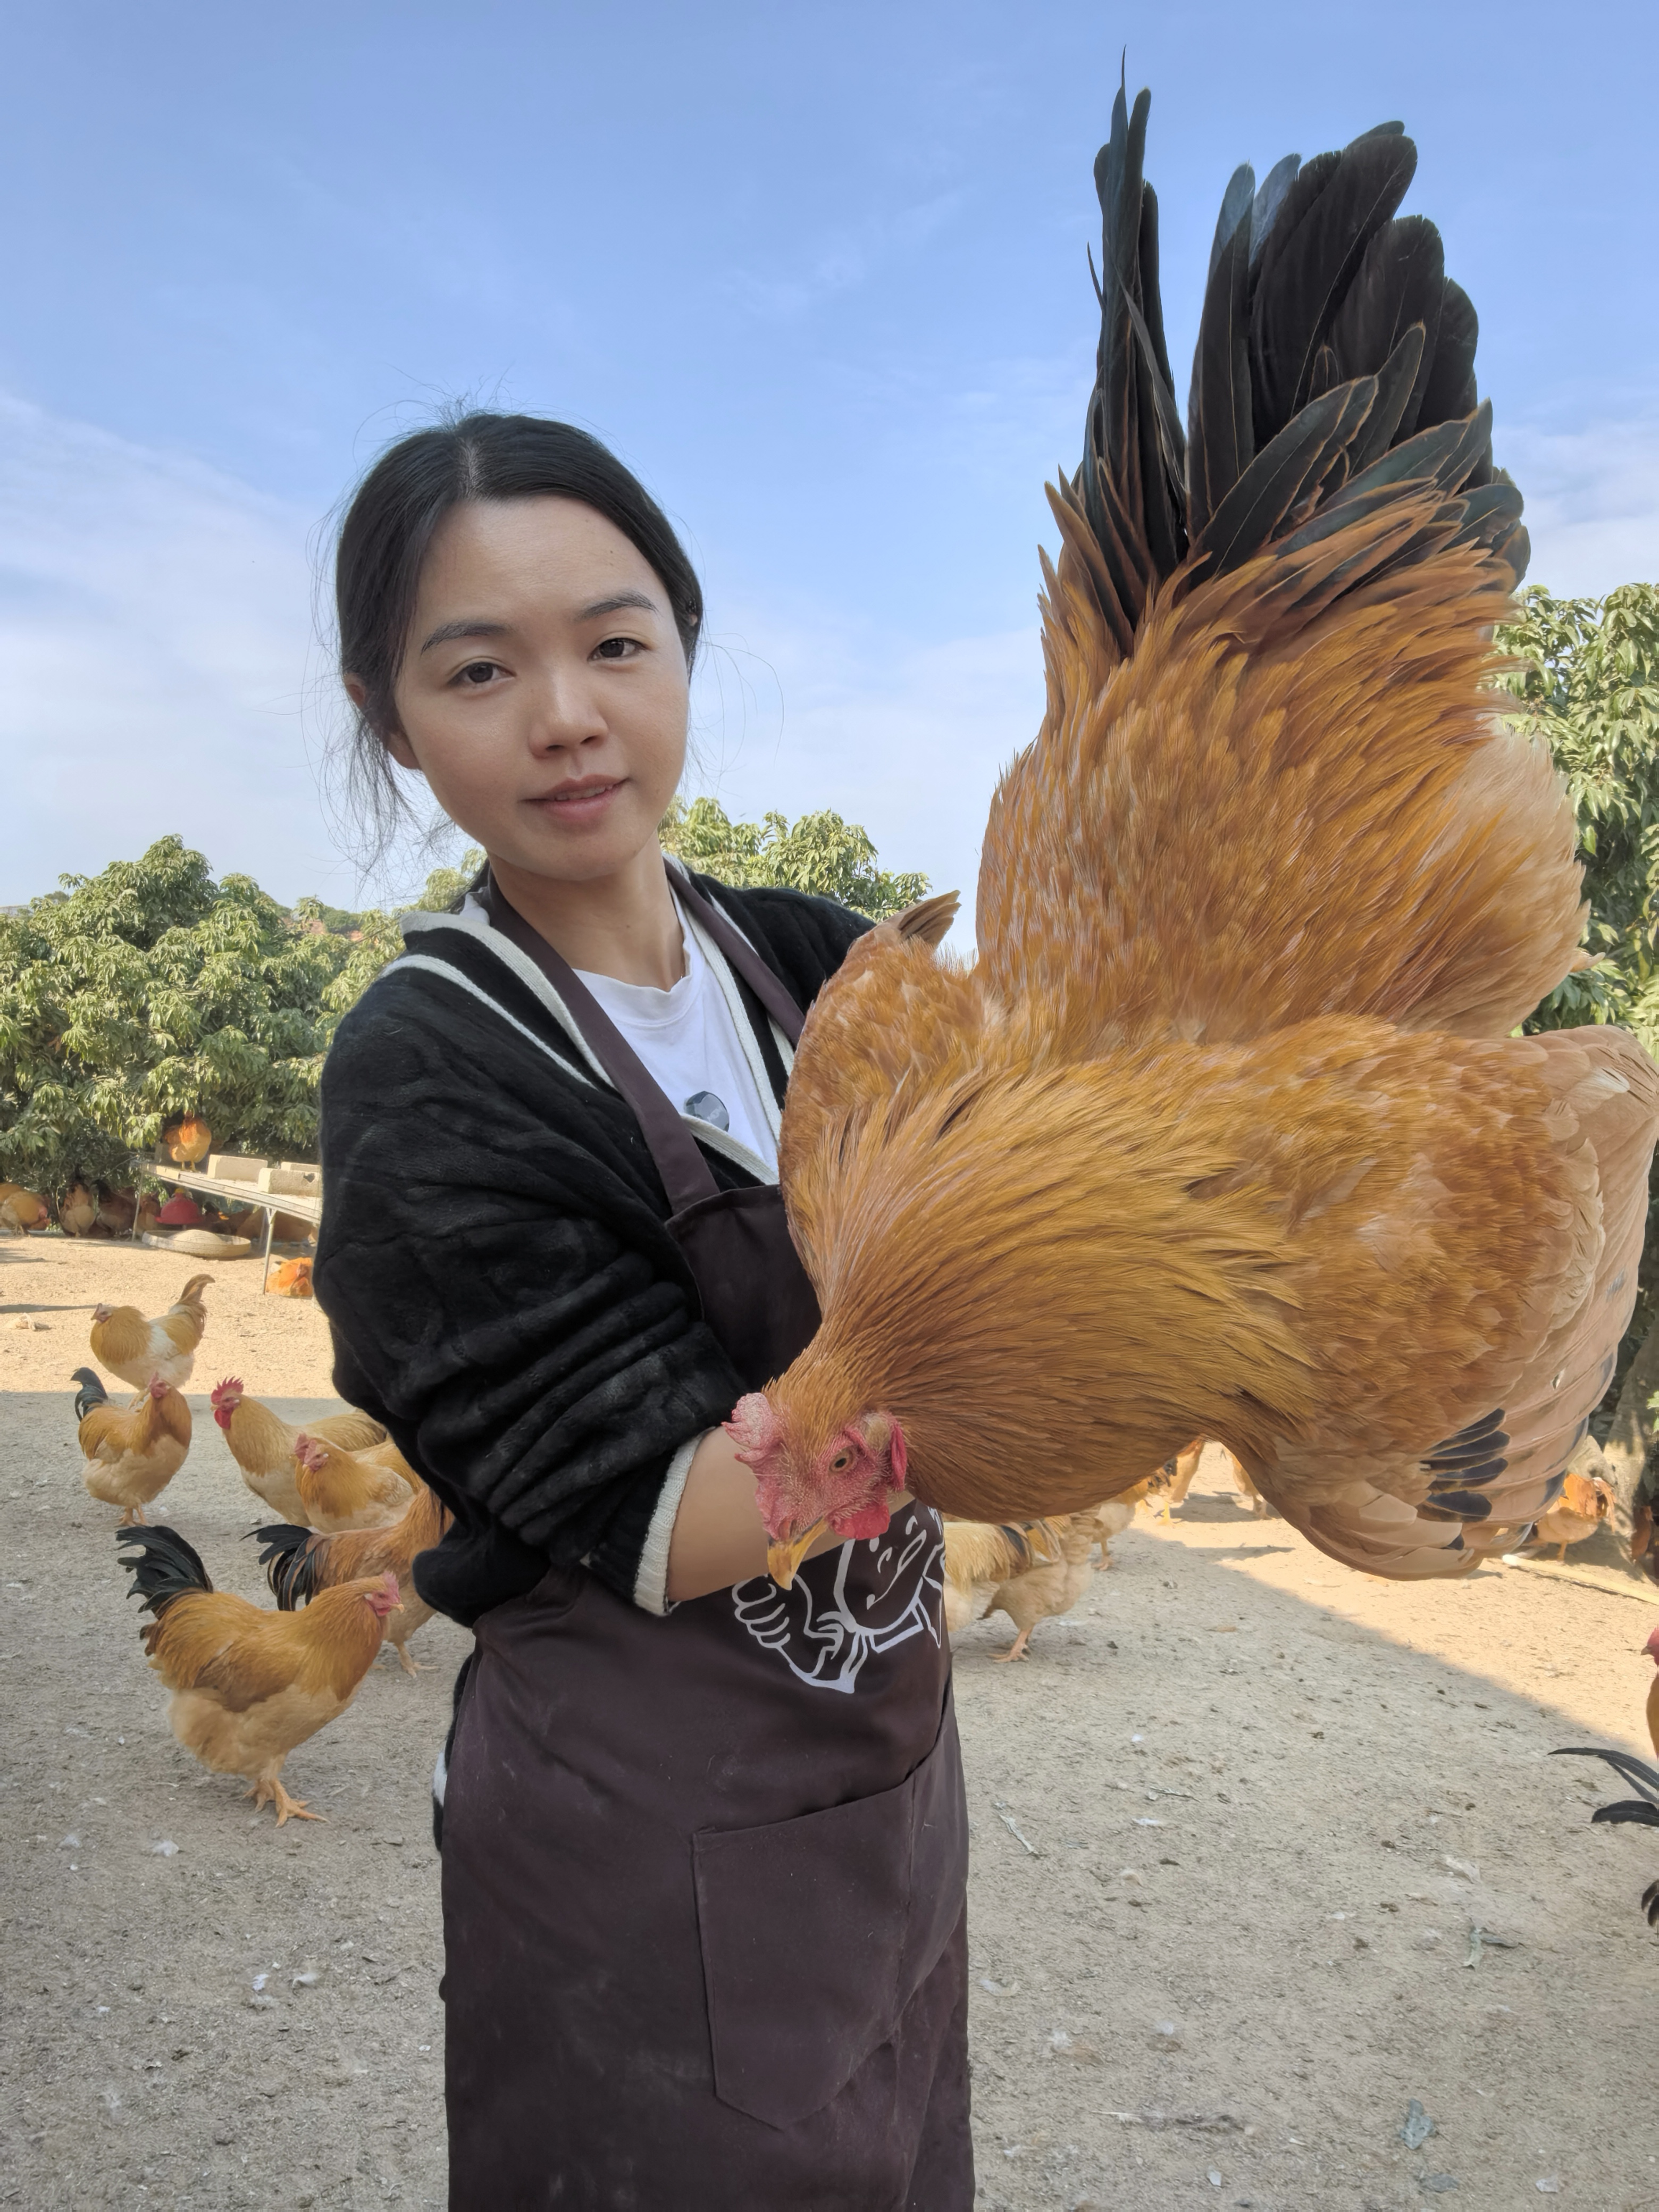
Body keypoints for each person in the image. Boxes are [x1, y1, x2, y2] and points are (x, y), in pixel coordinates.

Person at [313, 412, 972, 2210]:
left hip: (888, 1789)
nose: (567, 716)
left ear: (684, 645)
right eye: (480, 668)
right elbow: (672, 1519)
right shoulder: (432, 1069)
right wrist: (1040, 1355)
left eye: (616, 642)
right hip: (642, 1849)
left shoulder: (825, 965)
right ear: (395, 718)